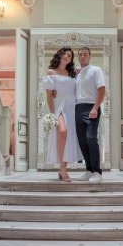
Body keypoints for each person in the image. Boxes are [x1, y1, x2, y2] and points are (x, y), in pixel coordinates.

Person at [42, 46, 83, 182]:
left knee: (68, 137)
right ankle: (63, 169)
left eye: (69, 56)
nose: (67, 57)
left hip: (73, 108)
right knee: (62, 131)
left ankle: (62, 168)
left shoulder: (73, 74)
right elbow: (49, 95)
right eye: (64, 54)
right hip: (60, 107)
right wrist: (52, 113)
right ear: (59, 56)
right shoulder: (51, 72)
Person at [75, 46, 105, 183]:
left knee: (90, 139)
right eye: (80, 54)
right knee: (82, 141)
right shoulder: (77, 74)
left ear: (90, 56)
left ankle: (97, 172)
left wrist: (95, 108)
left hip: (91, 108)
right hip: (78, 108)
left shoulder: (96, 70)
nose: (82, 56)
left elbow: (102, 90)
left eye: (85, 54)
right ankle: (89, 170)